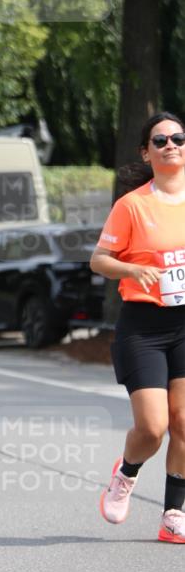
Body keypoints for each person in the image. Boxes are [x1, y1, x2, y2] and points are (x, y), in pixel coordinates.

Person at [91, 112, 185, 543]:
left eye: (178, 138)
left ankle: (173, 514)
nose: (171, 146)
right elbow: (99, 261)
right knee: (153, 426)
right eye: (160, 140)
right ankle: (125, 474)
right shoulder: (132, 205)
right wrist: (131, 268)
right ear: (146, 153)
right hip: (143, 327)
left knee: (183, 421)